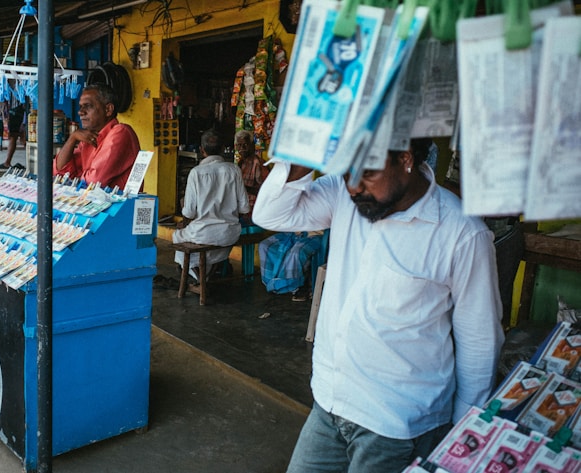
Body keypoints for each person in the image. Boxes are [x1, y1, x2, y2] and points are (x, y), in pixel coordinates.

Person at [252, 138, 504, 473]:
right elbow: (271, 211)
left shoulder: (461, 233)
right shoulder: (344, 196)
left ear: (405, 159)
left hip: (395, 425)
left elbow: (479, 340)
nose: (353, 186)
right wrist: (316, 141)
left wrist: (462, 435)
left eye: (366, 173)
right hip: (329, 401)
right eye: (345, 172)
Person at [173, 129, 250, 282]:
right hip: (230, 233)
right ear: (222, 149)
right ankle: (208, 271)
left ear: (201, 150)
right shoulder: (234, 170)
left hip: (202, 233)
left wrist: (185, 222)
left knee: (177, 236)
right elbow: (245, 208)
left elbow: (188, 212)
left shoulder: (196, 173)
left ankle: (199, 275)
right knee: (208, 243)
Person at [53, 83, 140, 189]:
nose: (80, 112)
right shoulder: (89, 137)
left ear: (108, 110)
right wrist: (72, 138)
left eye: (88, 106)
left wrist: (78, 177)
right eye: (80, 107)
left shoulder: (121, 132)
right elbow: (60, 173)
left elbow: (94, 182)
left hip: (120, 204)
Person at [234, 130, 269, 223]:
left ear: (252, 145)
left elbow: (266, 191)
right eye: (239, 145)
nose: (242, 148)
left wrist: (243, 188)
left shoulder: (258, 163)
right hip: (243, 211)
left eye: (245, 145)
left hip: (254, 212)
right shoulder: (241, 162)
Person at [0, 100, 26, 170]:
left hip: (15, 110)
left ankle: (20, 134)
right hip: (11, 110)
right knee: (12, 136)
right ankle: (7, 162)